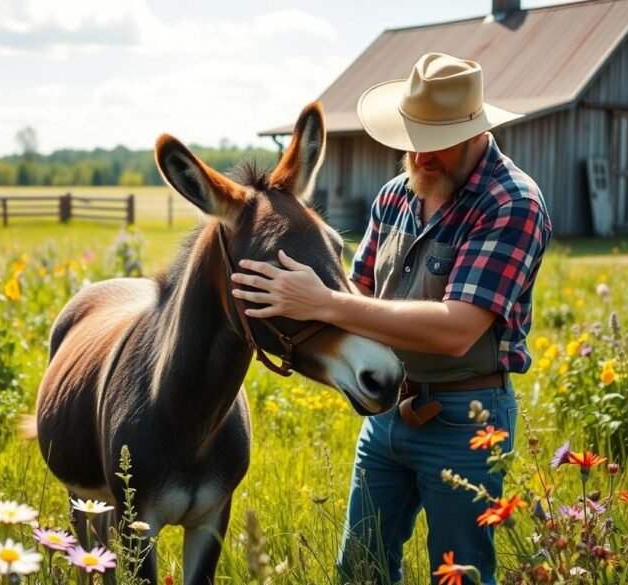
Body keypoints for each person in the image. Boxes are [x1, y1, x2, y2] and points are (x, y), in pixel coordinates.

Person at [231, 52, 552, 584]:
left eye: (437, 140)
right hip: (387, 410)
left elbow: (457, 329)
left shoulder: (511, 203)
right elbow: (359, 291)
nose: (420, 155)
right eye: (412, 137)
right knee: (360, 570)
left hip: (465, 420)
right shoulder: (397, 194)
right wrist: (289, 309)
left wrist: (325, 303)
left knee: (459, 576)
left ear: (476, 131)